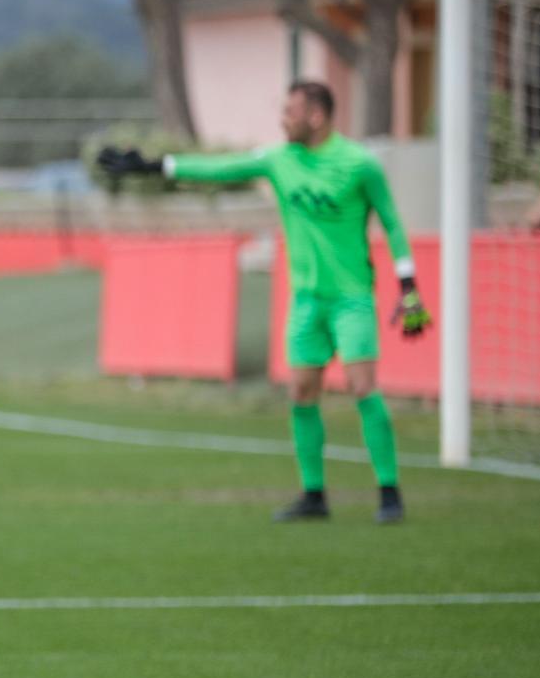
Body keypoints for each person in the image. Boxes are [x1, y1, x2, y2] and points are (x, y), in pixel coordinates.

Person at [99, 81, 429, 525]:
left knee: (363, 387)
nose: (283, 119)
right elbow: (223, 169)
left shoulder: (359, 164)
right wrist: (155, 166)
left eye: (291, 111)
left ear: (317, 115)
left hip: (352, 299)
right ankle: (314, 495)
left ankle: (389, 493)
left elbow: (392, 224)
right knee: (301, 392)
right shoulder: (280, 160)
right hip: (306, 301)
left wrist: (409, 287)